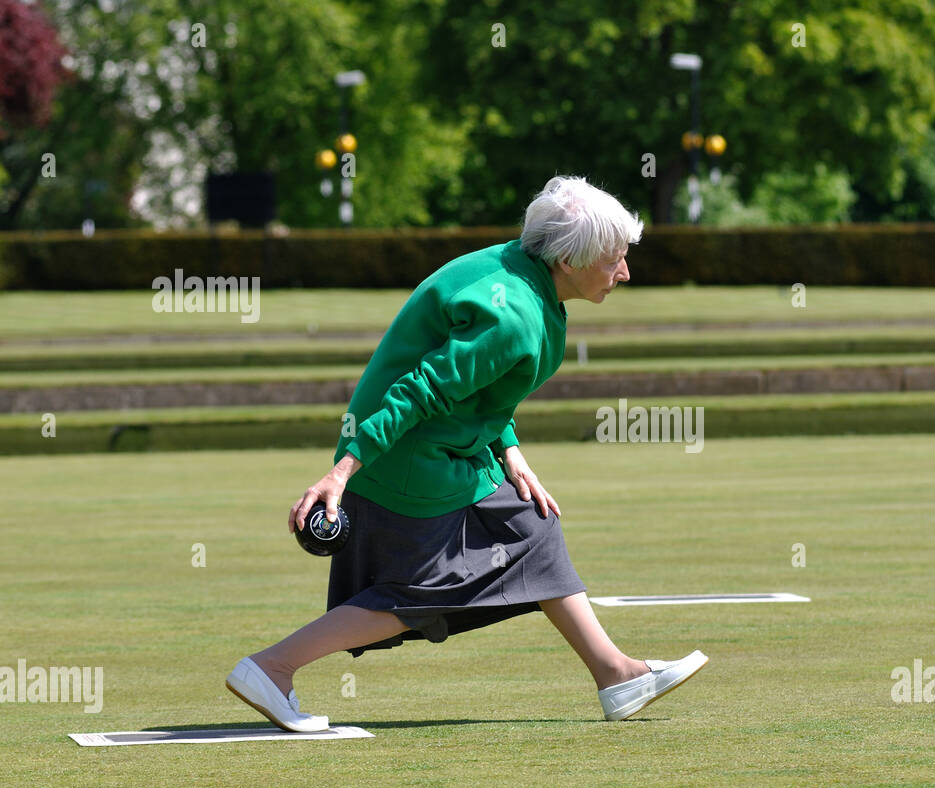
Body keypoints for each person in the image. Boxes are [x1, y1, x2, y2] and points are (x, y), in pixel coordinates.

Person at [225, 176, 707, 731]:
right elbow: (422, 389)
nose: (624, 272)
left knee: (534, 526)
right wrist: (342, 471)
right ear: (570, 259)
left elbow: (483, 391)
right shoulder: (515, 317)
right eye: (615, 260)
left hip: (452, 451)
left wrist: (511, 449)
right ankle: (272, 667)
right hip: (411, 460)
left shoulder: (517, 270)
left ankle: (615, 673)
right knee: (421, 596)